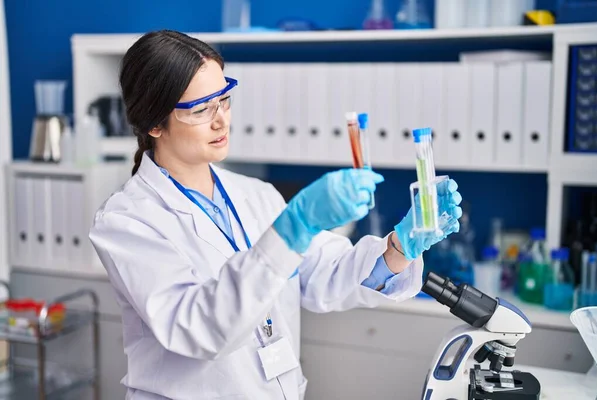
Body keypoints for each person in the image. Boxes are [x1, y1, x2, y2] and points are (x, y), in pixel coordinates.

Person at [89, 30, 463, 400]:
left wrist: (399, 246)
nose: (221, 120)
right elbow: (199, 328)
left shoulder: (255, 195)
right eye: (202, 109)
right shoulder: (127, 223)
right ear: (155, 124)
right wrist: (292, 228)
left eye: (224, 99)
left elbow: (322, 275)